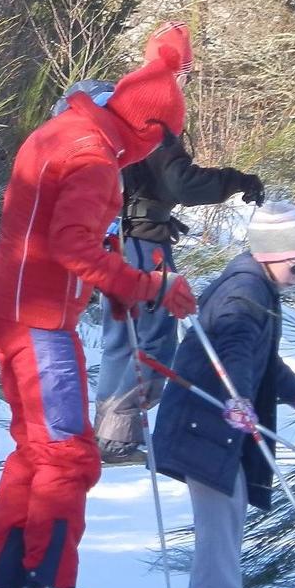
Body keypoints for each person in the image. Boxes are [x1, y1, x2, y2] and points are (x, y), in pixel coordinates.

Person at [0, 23, 199, 588]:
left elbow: (68, 242)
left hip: (17, 308)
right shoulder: (93, 157)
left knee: (36, 448)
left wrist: (115, 294)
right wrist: (147, 285)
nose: (161, 154)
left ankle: (3, 582)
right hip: (39, 322)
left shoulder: (66, 130)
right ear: (147, 129)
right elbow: (72, 246)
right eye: (165, 141)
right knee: (70, 454)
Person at [63, 72, 265, 464]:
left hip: (109, 242)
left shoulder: (109, 117)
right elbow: (183, 184)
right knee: (156, 341)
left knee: (121, 340)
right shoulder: (150, 121)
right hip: (143, 243)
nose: (185, 83)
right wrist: (238, 181)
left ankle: (105, 435)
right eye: (184, 74)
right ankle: (118, 436)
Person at [150, 200, 295, 588]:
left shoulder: (257, 286)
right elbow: (235, 349)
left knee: (231, 502)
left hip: (213, 422)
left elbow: (264, 357)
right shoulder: (244, 291)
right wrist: (237, 398)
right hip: (202, 418)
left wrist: (294, 391)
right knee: (221, 508)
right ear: (270, 254)